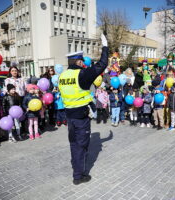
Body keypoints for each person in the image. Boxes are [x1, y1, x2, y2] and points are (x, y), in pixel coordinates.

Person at [58, 33, 108, 185]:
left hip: (70, 117)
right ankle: (78, 176)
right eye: (82, 61)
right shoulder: (82, 74)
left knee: (74, 145)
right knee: (81, 146)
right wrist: (105, 46)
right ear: (79, 61)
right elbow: (102, 64)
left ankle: (76, 167)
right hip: (81, 118)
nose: (83, 63)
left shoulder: (62, 76)